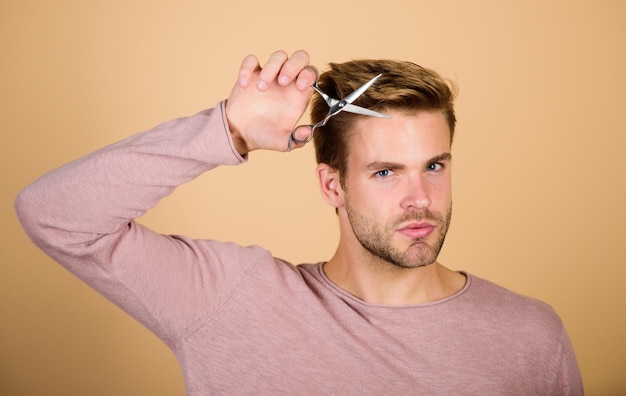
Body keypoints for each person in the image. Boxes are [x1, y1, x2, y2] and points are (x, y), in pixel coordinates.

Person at [15, 50, 583, 395]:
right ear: (332, 184)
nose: (420, 198)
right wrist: (227, 131)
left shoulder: (529, 335)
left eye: (434, 166)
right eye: (386, 172)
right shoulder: (232, 301)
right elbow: (55, 216)